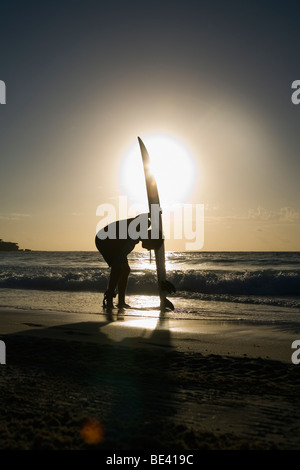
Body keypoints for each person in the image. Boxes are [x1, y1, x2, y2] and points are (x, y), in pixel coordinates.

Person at [95, 213, 163, 309]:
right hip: (105, 240)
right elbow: (139, 218)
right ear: (150, 239)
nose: (148, 250)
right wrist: (153, 213)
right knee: (117, 268)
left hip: (117, 243)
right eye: (151, 247)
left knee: (125, 270)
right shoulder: (144, 225)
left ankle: (121, 302)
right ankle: (109, 299)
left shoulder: (132, 241)